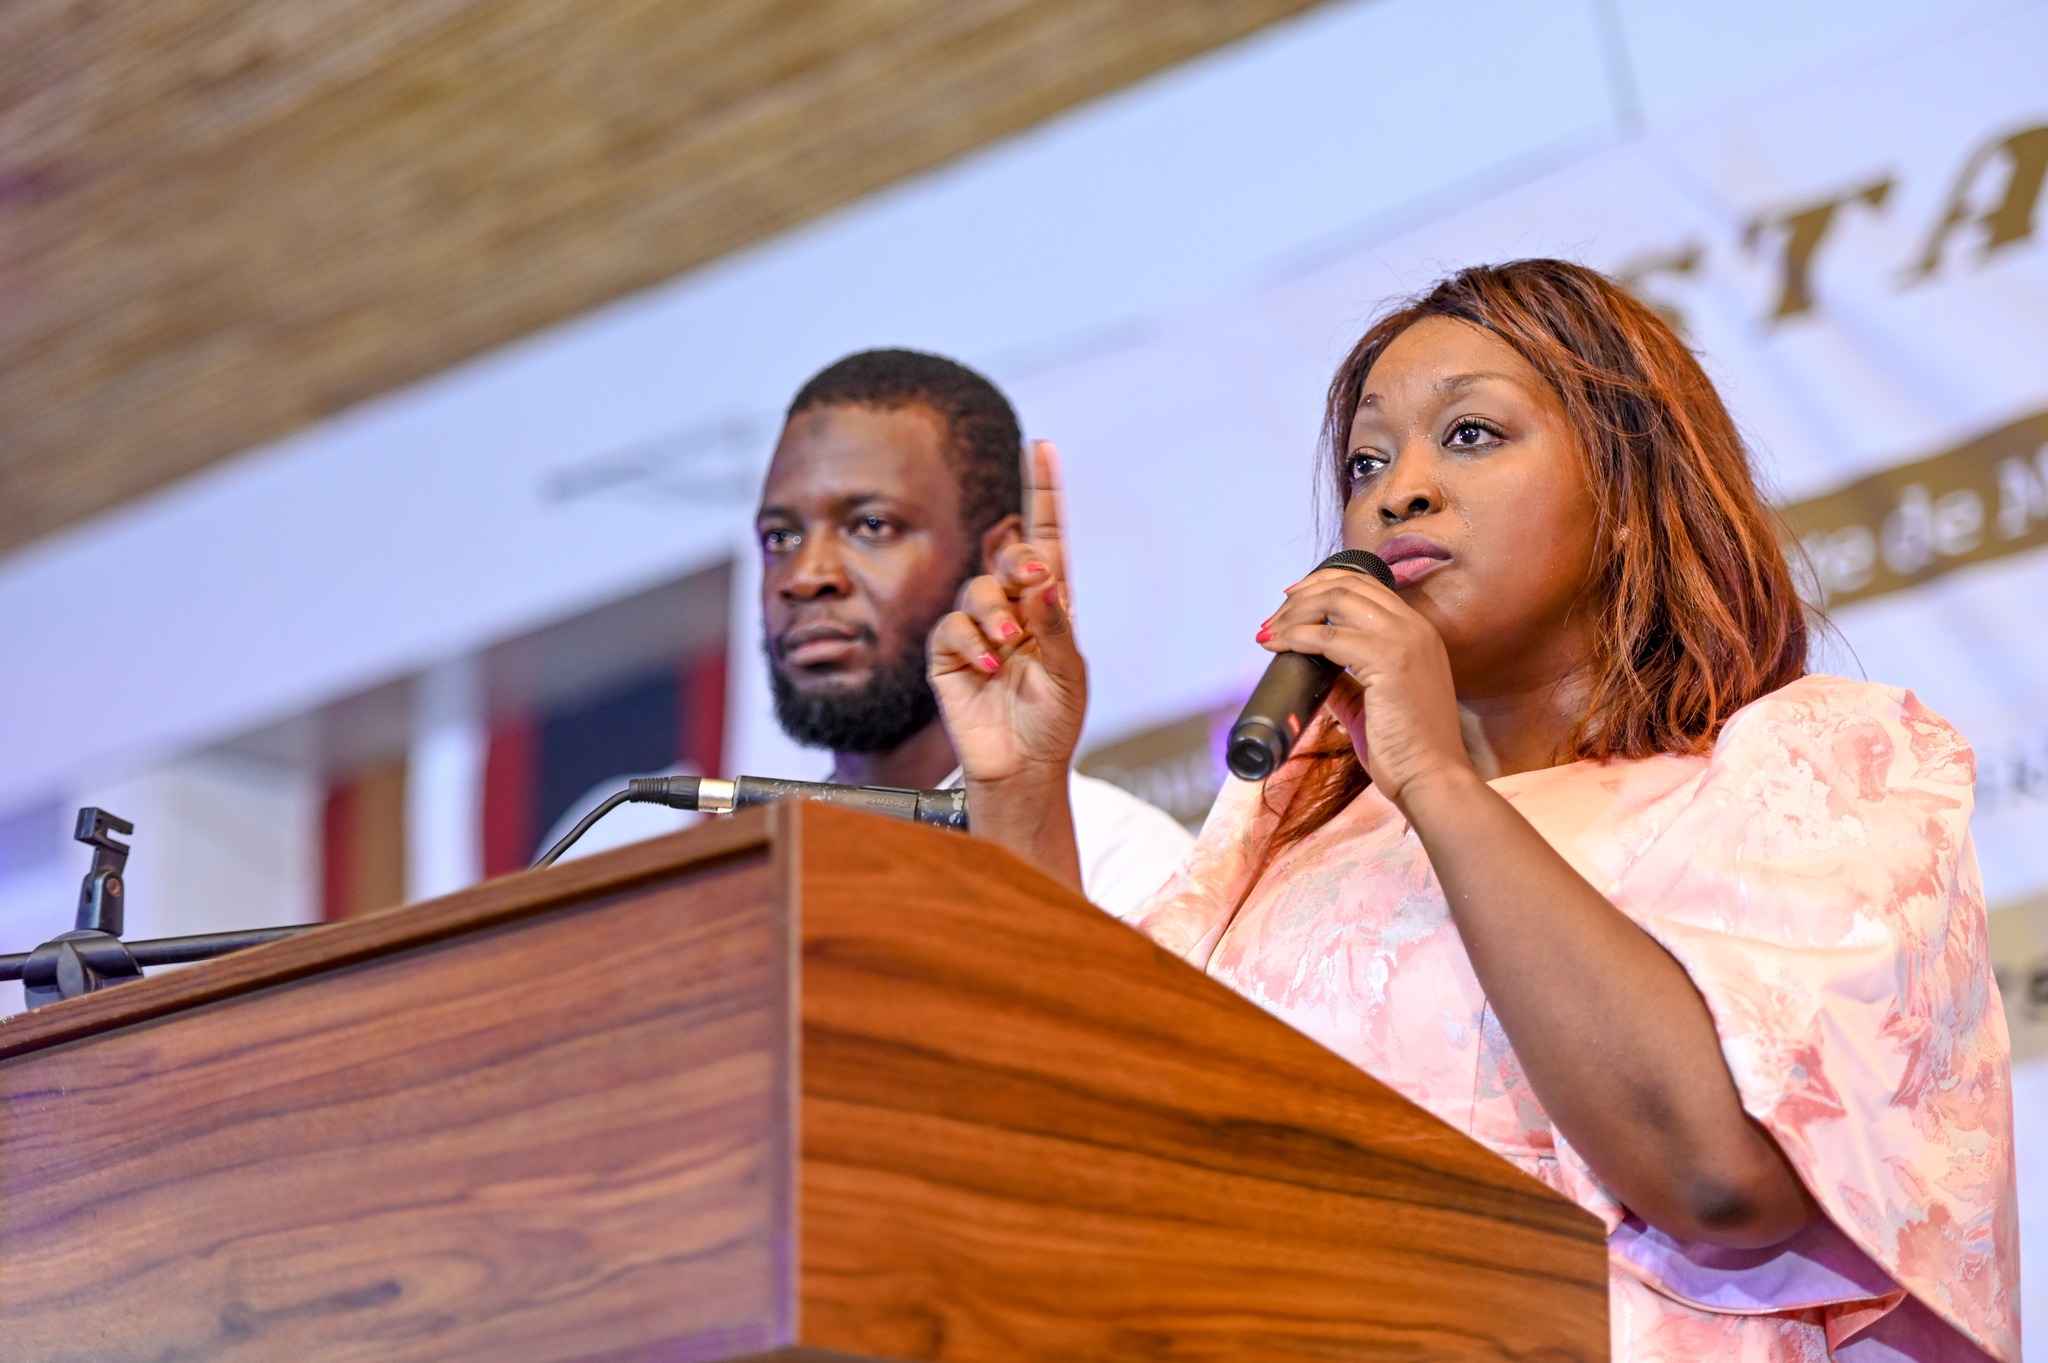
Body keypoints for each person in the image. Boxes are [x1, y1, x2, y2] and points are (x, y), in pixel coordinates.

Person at [928, 261, 2018, 1362]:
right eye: (1366, 459)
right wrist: (1019, 788)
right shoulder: (1294, 835)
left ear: (1629, 497)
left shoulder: (1813, 759)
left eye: (1469, 435)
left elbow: (1719, 1172)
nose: (1397, 490)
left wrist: (1437, 780)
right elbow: (1089, 1137)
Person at [756, 348, 1192, 916]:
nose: (805, 575)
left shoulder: (1127, 860)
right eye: (780, 537)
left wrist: (1018, 794)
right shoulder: (738, 885)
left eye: (871, 525)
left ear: (997, 557)